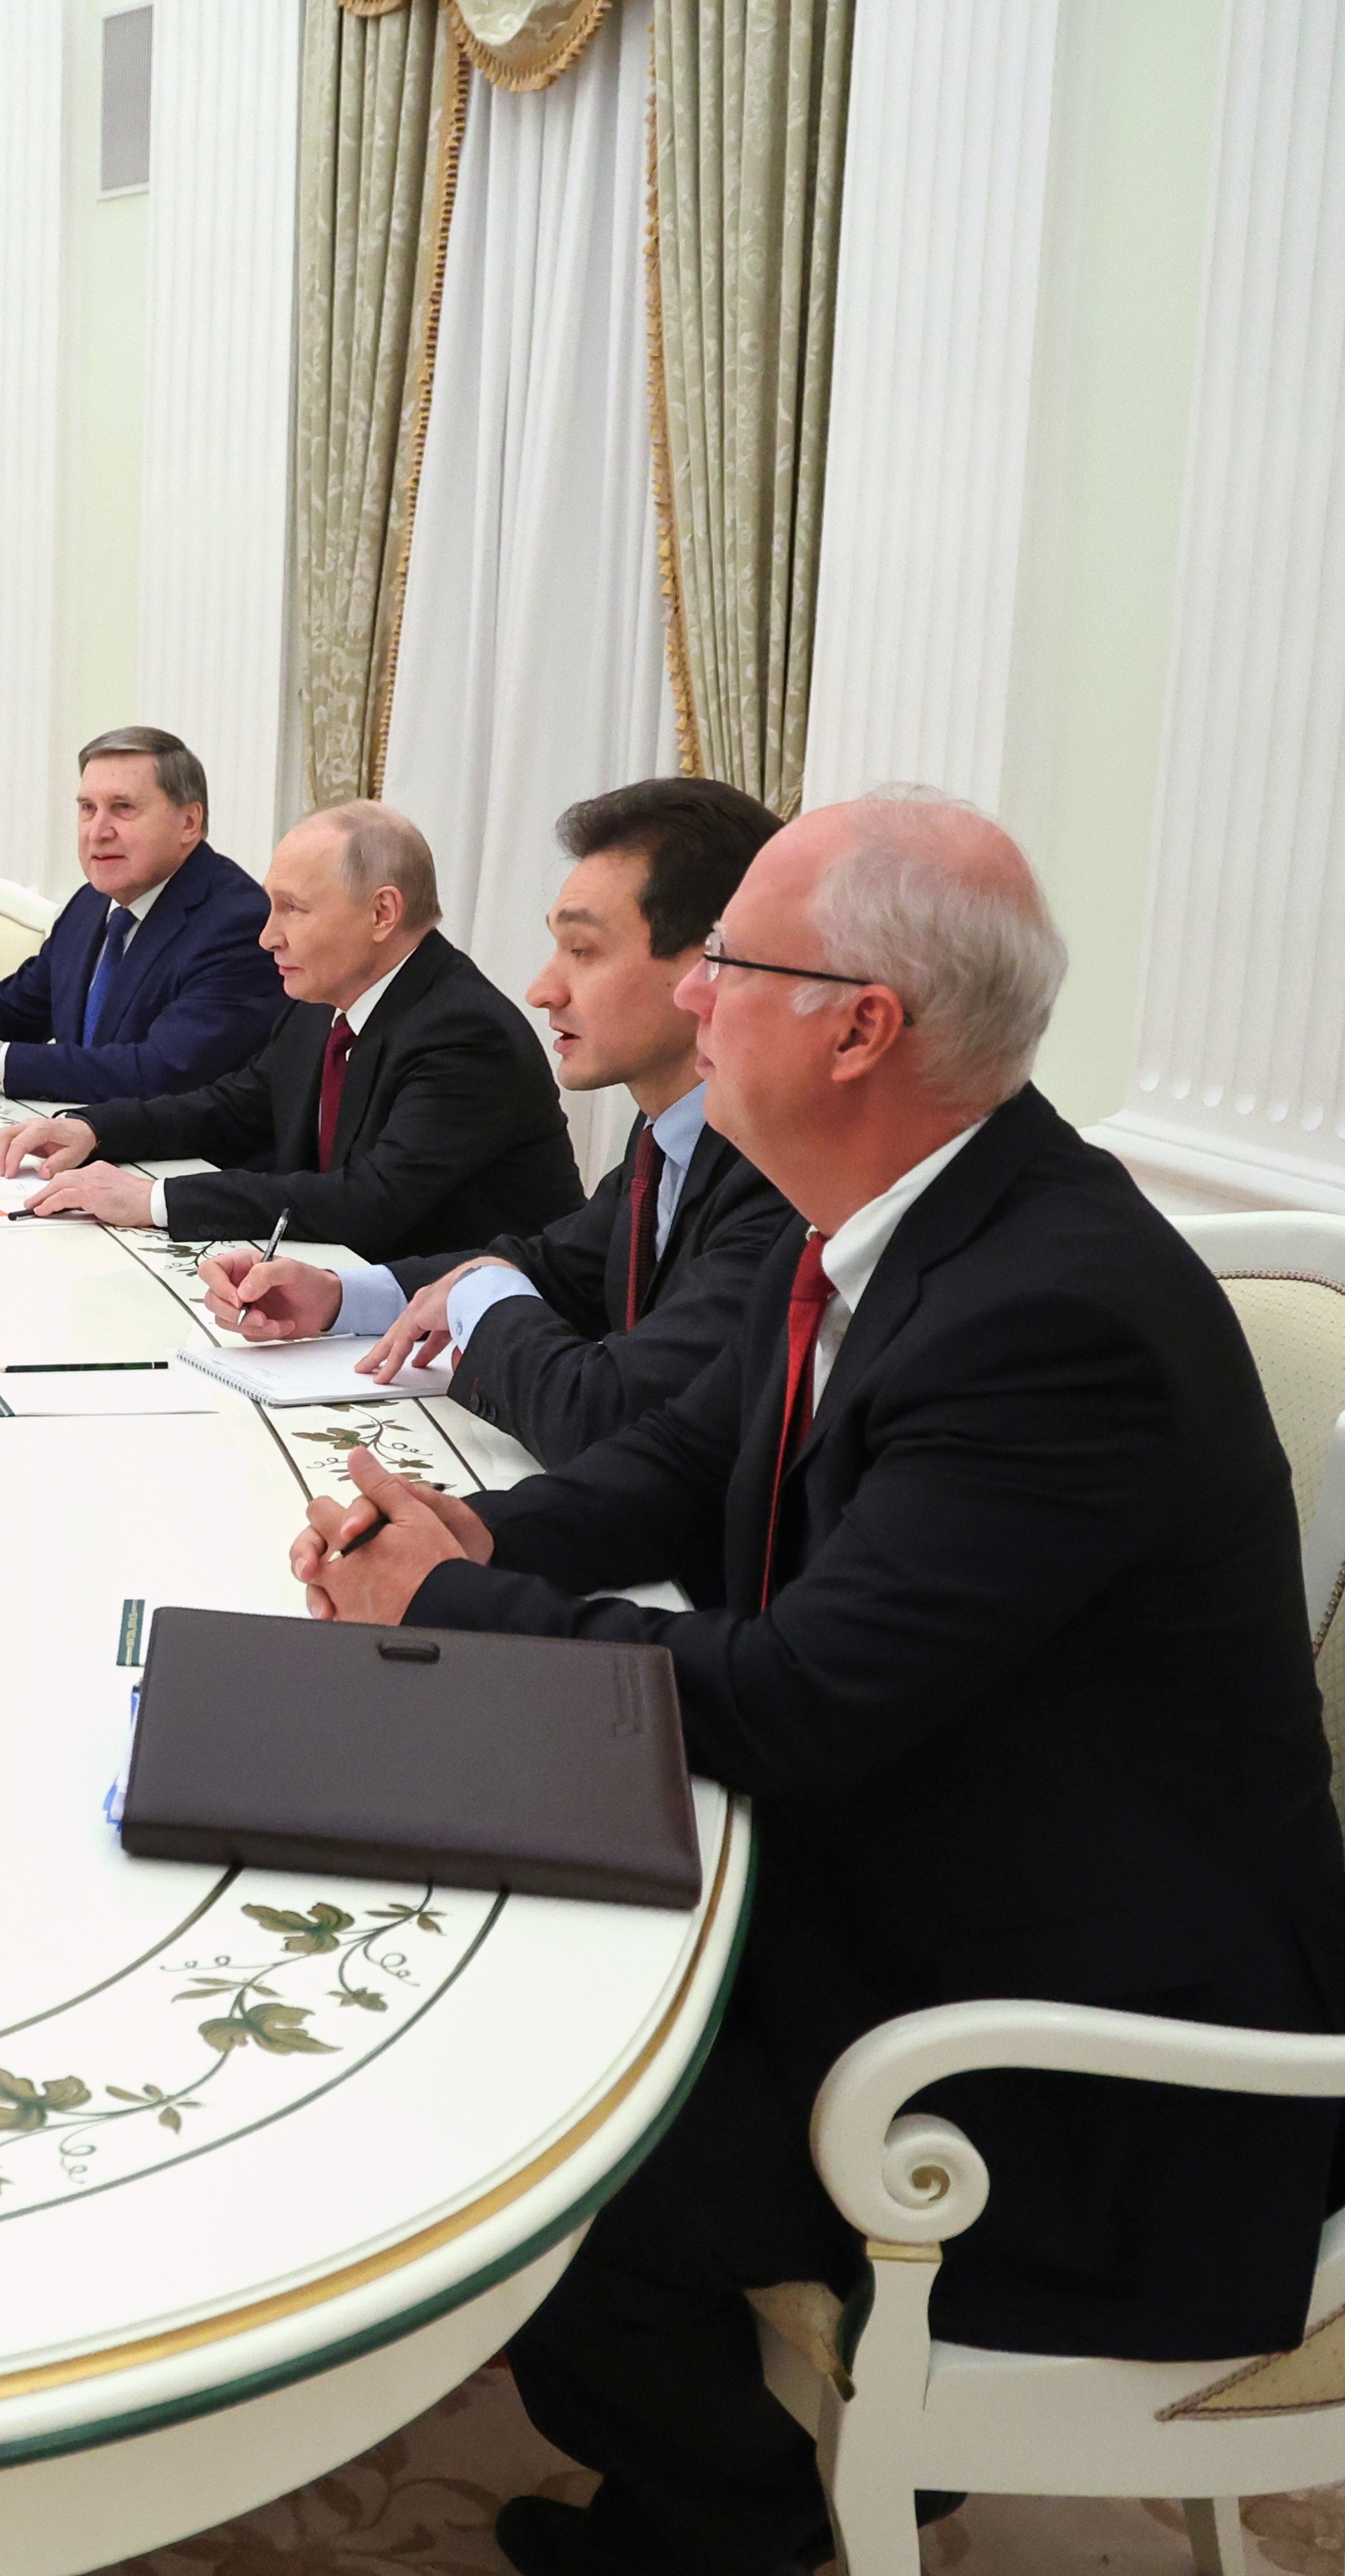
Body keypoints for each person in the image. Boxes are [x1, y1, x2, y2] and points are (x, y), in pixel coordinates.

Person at [281, 791, 1345, 2576]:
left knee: (533, 2147)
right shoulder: (878, 1214)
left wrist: (465, 1605)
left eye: (732, 968)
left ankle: (737, 2519)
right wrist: (457, 1527)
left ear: (860, 1026)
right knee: (496, 1956)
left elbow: (792, 1700)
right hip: (923, 1859)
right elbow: (670, 1469)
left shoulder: (1051, 1308)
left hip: (1082, 2045)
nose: (691, 1001)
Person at [199, 778, 793, 1467]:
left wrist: (479, 1290)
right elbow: (557, 1263)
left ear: (707, 970)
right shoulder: (664, 1131)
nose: (543, 989)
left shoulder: (777, 1171)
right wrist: (336, 1297)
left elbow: (604, 1410)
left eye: (584, 950)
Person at [0, 799, 579, 1256]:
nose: (268, 935)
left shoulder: (465, 1033)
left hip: (467, 1342)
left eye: (292, 908)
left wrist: (153, 1199)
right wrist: (93, 1127)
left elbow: (367, 1201)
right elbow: (235, 1106)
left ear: (382, 912)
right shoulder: (324, 997)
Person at [0, 727, 287, 1102]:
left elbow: (160, 1070)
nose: (98, 831)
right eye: (87, 809)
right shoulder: (92, 903)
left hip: (184, 1169)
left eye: (123, 808)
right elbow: (19, 1009)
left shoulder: (237, 923)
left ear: (189, 823)